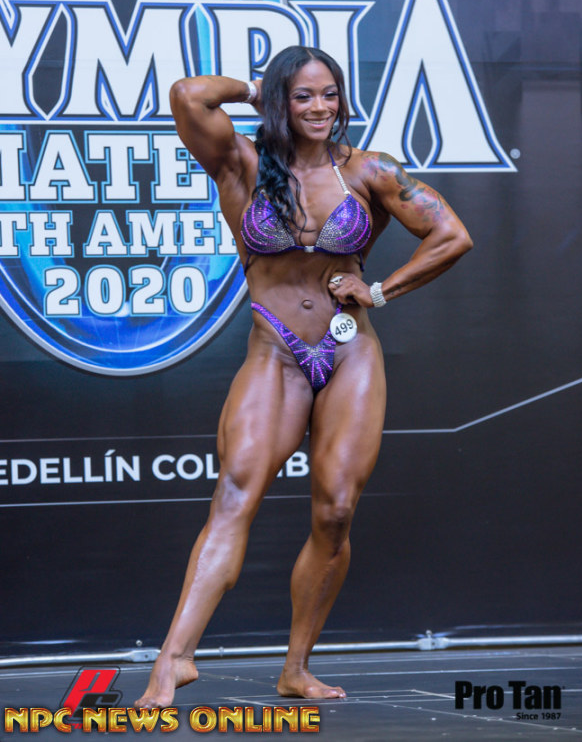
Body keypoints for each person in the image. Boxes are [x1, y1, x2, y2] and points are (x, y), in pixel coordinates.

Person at [135, 46, 473, 707]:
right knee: (235, 493)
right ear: (280, 103)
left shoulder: (369, 170)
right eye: (302, 95)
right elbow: (186, 94)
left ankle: (295, 668)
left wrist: (380, 290)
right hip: (276, 350)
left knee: (336, 511)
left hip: (349, 354)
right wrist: (254, 87)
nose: (319, 107)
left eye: (329, 94)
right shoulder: (241, 162)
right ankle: (173, 661)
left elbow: (452, 236)